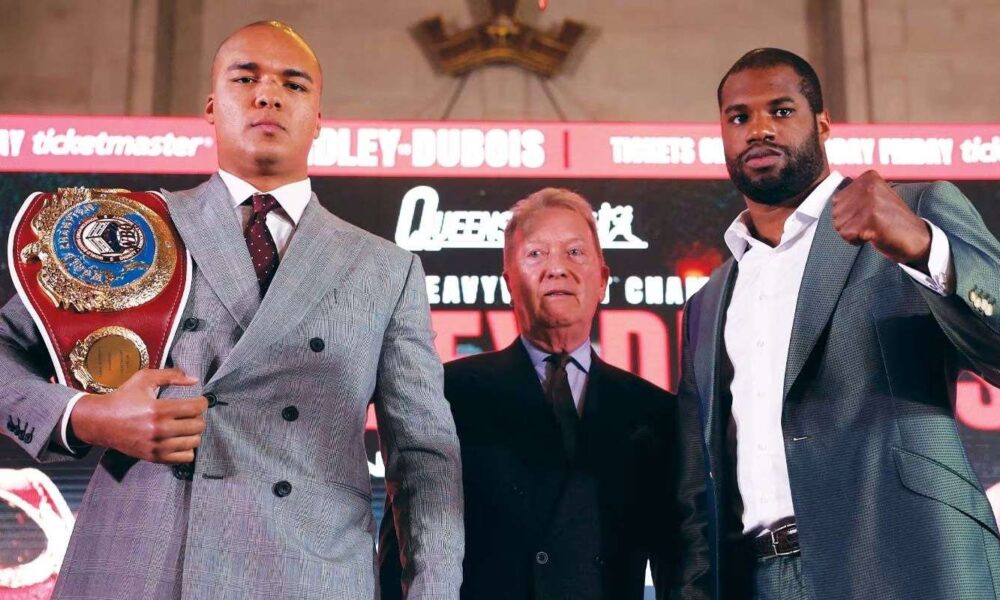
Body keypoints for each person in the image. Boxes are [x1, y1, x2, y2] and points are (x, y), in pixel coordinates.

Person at [0, 21, 463, 599]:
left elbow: (424, 460)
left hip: (307, 577)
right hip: (141, 566)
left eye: (293, 85)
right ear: (213, 107)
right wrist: (86, 417)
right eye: (246, 78)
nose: (268, 94)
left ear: (320, 117)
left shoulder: (386, 271)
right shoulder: (130, 230)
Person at [675, 47, 1000, 600]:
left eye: (781, 111)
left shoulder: (909, 213)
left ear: (822, 124)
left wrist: (925, 248)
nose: (759, 129)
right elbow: (699, 479)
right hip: (760, 578)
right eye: (739, 117)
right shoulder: (708, 301)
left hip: (905, 559)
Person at [380, 187, 689, 599]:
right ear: (508, 282)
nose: (556, 269)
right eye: (536, 254)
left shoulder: (654, 411)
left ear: (603, 280)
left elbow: (679, 564)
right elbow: (404, 547)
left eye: (575, 252)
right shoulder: (446, 394)